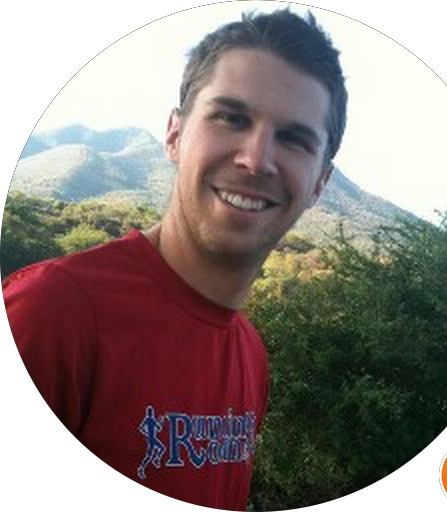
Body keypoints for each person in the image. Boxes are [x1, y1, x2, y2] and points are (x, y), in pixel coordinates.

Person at [3, 8, 347, 511]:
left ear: (320, 183)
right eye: (231, 118)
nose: (256, 159)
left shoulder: (251, 355)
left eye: (294, 139)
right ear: (174, 134)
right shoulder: (53, 313)